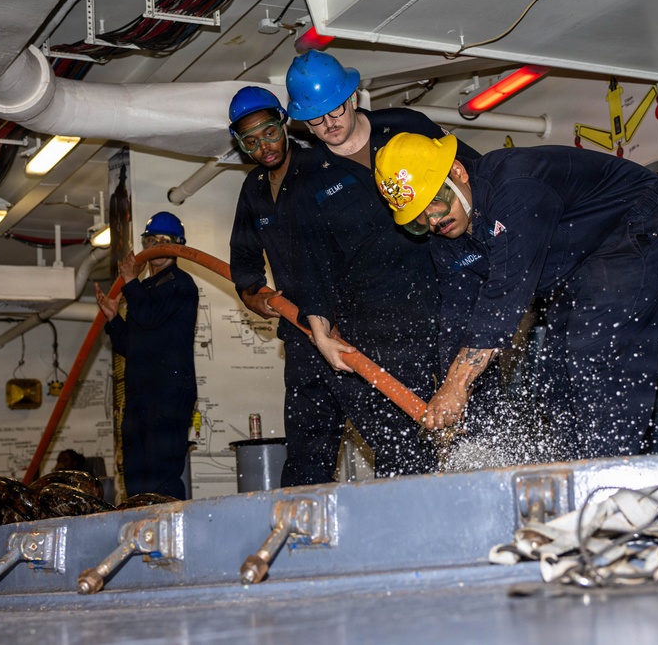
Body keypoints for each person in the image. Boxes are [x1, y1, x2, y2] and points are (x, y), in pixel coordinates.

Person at [374, 133, 658, 460]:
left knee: (593, 347)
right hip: (581, 263)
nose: (433, 221)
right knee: (552, 376)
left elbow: (505, 294)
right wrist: (451, 394)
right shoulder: (446, 242)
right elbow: (458, 317)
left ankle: (609, 476)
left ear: (457, 172)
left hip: (642, 218)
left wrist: (458, 385)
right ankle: (573, 472)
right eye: (418, 219)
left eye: (435, 203)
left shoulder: (514, 185)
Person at [282, 50, 479, 478]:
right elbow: (310, 270)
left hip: (448, 299)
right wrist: (321, 336)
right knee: (405, 452)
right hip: (377, 328)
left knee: (477, 418)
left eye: (334, 110)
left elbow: (471, 176)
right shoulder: (306, 183)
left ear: (352, 96)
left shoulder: (407, 126)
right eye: (315, 120)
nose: (328, 125)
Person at [227, 86, 347, 487]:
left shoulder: (324, 166)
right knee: (306, 447)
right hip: (299, 333)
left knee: (387, 428)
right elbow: (243, 257)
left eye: (270, 132)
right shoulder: (254, 189)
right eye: (252, 141)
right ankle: (300, 530)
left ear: (285, 123)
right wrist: (255, 294)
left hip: (350, 328)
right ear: (242, 145)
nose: (265, 146)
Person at [94, 212, 198, 499]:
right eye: (151, 241)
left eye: (163, 241)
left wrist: (130, 282)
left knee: (161, 474)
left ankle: (169, 537)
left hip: (168, 393)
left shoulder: (181, 284)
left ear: (177, 245)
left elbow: (149, 316)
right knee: (137, 475)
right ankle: (140, 532)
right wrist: (114, 319)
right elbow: (130, 346)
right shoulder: (144, 290)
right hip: (141, 394)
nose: (156, 247)